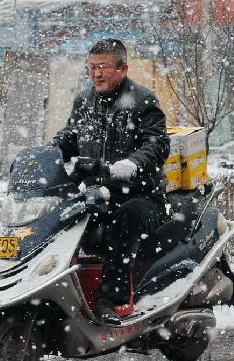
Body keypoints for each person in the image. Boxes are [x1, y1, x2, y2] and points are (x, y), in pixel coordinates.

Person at [52, 38, 170, 325]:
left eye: (103, 67)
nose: (96, 74)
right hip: (98, 192)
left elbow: (157, 143)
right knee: (61, 219)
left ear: (123, 68)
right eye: (91, 67)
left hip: (141, 195)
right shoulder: (84, 101)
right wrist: (47, 152)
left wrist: (134, 163)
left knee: (125, 219)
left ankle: (111, 300)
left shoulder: (143, 100)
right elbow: (69, 137)